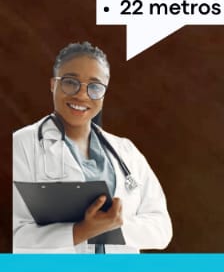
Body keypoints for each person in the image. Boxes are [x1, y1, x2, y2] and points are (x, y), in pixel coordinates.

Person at [12, 42, 172, 253]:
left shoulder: (126, 151)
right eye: (70, 82)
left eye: (95, 87)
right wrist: (80, 231)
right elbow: (16, 235)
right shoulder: (22, 143)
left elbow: (161, 230)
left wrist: (106, 226)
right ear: (53, 84)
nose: (82, 95)